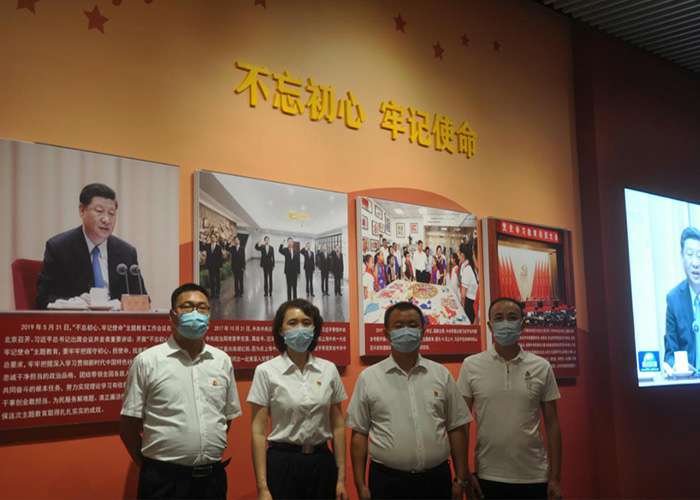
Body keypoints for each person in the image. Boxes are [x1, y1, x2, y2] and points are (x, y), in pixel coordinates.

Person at [120, 283, 241, 499]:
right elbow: (128, 426)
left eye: (202, 308)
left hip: (212, 481)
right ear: (172, 315)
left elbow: (226, 417)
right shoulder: (148, 361)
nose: (196, 313)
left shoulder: (222, 361)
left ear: (209, 315)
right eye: (187, 306)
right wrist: (151, 468)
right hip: (164, 482)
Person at [347, 301, 478, 500]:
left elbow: (456, 427)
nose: (406, 330)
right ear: (386, 333)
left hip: (436, 480)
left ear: (423, 332)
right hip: (387, 482)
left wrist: (461, 479)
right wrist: (360, 485)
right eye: (399, 326)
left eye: (413, 325)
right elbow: (359, 434)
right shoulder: (369, 378)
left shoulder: (441, 375)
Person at [457, 297, 562, 500]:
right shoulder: (471, 365)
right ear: (490, 326)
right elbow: (461, 423)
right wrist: (464, 474)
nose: (505, 323)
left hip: (534, 475)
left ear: (522, 324)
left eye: (512, 317)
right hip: (488, 474)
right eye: (499, 318)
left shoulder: (541, 366)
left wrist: (556, 478)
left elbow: (553, 425)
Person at [248, 299, 348, 500]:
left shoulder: (329, 369)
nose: (300, 328)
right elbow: (258, 432)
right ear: (281, 330)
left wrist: (341, 479)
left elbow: (338, 426)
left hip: (322, 462)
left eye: (306, 322)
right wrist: (262, 487)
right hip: (283, 463)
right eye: (292, 323)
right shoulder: (266, 371)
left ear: (314, 329)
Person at [36, 183, 144, 309]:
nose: (106, 219)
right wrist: (73, 303)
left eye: (111, 213)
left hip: (116, 320)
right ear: (82, 210)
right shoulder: (59, 248)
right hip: (77, 319)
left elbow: (142, 300)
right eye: (99, 211)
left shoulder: (127, 252)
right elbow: (43, 298)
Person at [664, 226, 700, 370]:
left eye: (699, 255)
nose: (695, 263)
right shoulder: (674, 300)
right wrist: (679, 366)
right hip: (690, 382)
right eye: (690, 254)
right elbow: (670, 355)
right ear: (682, 256)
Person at [200, 233, 224, 299]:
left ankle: (217, 293)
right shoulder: (208, 246)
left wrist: (220, 267)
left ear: (216, 239)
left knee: (217, 280)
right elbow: (202, 248)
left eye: (213, 237)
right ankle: (212, 293)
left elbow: (220, 258)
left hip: (217, 267)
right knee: (211, 280)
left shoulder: (219, 247)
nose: (212, 239)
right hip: (210, 266)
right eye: (211, 238)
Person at [460, 246, 478, 324]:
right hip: (474, 301)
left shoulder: (467, 269)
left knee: (469, 323)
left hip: (470, 303)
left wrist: (462, 308)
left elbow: (463, 294)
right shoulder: (473, 267)